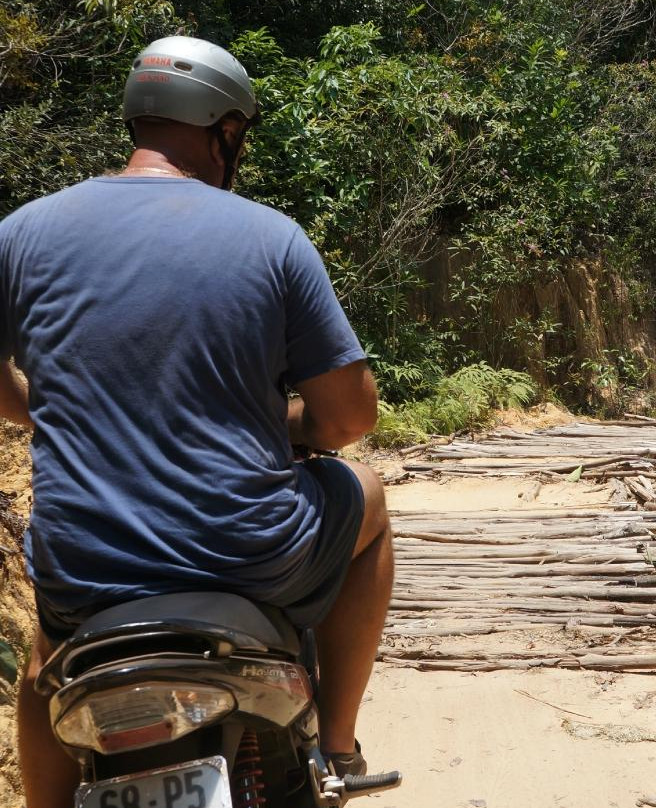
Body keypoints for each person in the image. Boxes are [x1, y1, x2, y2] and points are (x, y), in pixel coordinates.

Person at [0, 35, 394, 808]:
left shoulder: (20, 234)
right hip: (249, 553)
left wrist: (47, 406)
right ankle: (339, 747)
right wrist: (292, 428)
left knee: (49, 655)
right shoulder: (271, 236)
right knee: (371, 496)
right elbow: (349, 419)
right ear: (226, 130)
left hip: (85, 561)